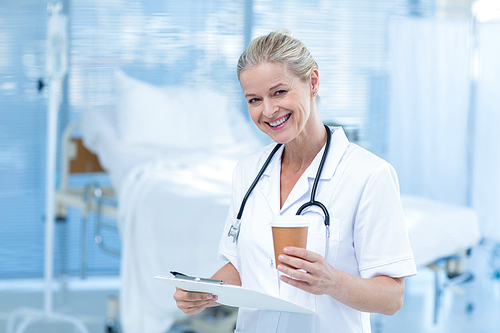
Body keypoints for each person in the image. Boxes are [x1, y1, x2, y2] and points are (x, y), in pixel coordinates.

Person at [174, 30, 417, 332]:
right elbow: (242, 267)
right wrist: (205, 290)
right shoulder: (248, 172)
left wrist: (332, 281)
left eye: (279, 92)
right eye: (254, 99)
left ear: (313, 82)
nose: (268, 110)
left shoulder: (368, 174)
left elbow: (392, 297)